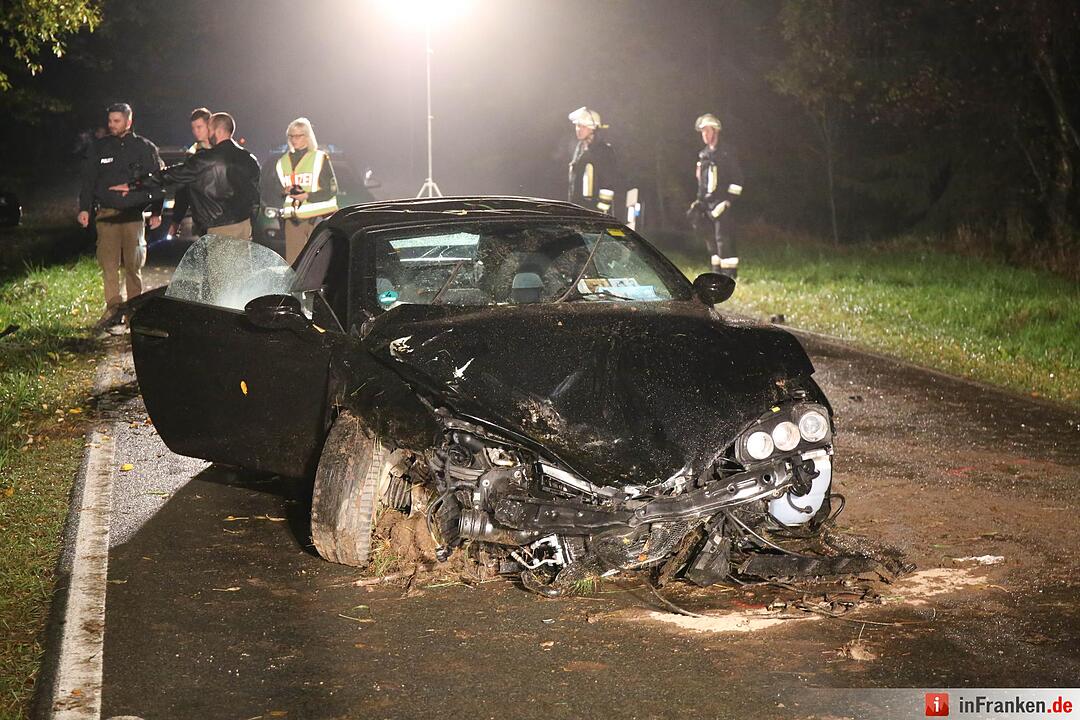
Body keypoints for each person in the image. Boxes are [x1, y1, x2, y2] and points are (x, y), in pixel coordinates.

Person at [77, 102, 163, 328]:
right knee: (109, 265)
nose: (112, 125)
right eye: (110, 121)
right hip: (106, 216)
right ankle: (114, 310)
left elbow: (157, 182)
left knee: (134, 266)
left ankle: (134, 311)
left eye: (117, 121)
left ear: (129, 121)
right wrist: (84, 208)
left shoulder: (145, 148)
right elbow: (88, 181)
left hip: (133, 217)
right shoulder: (99, 148)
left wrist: (157, 211)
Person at [114, 112, 260, 240]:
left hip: (219, 226)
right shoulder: (249, 159)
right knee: (238, 270)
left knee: (220, 270)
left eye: (209, 130)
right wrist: (252, 223)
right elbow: (255, 197)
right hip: (243, 224)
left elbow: (171, 175)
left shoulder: (205, 159)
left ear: (219, 131)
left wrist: (134, 185)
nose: (208, 134)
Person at [275, 117, 339, 263]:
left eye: (298, 135)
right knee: (294, 263)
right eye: (291, 136)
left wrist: (308, 196)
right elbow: (275, 189)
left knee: (319, 262)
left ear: (307, 136)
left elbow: (331, 189)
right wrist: (284, 191)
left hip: (318, 218)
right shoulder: (282, 162)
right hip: (294, 220)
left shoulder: (319, 157)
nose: (294, 139)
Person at [688, 113, 744, 278]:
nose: (704, 135)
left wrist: (728, 201)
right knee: (710, 240)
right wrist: (698, 202)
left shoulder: (726, 154)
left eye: (707, 131)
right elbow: (702, 182)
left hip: (722, 203)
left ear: (716, 131)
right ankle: (716, 273)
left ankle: (729, 275)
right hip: (707, 203)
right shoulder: (703, 155)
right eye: (702, 132)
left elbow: (738, 181)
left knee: (723, 239)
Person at [168, 107, 213, 239]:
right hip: (203, 219)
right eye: (193, 128)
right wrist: (176, 220)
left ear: (210, 125)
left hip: (225, 219)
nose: (196, 132)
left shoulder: (222, 150)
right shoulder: (192, 155)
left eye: (199, 127)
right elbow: (183, 189)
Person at [567, 106, 617, 216]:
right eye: (577, 126)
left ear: (592, 128)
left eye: (582, 126)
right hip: (577, 211)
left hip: (595, 214)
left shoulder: (604, 151)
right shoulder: (579, 149)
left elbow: (608, 183)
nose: (578, 129)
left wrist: (601, 214)